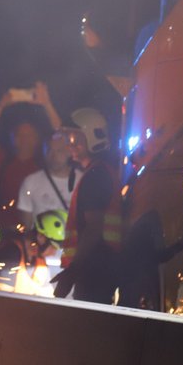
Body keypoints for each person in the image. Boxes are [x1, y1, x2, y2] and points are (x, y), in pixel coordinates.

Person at [52, 109, 123, 303]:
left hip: (95, 270)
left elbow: (94, 227)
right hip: (97, 268)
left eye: (74, 138)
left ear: (91, 138)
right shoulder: (99, 173)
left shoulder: (96, 177)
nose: (69, 144)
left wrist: (72, 271)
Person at [0, 81, 62, 236]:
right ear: (13, 138)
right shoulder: (3, 162)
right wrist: (0, 106)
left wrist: (47, 104)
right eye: (20, 135)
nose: (24, 139)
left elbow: (61, 137)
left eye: (29, 135)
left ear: (37, 139)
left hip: (40, 233)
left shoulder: (45, 164)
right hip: (8, 233)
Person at [0, 209, 66, 296]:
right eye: (54, 247)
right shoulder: (11, 254)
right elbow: (3, 300)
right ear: (41, 237)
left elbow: (47, 296)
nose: (54, 253)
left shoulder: (40, 263)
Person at [16, 128, 84, 231]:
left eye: (59, 151)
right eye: (49, 150)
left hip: (73, 244)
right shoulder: (30, 182)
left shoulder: (82, 181)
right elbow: (26, 226)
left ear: (69, 152)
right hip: (43, 245)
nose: (54, 156)